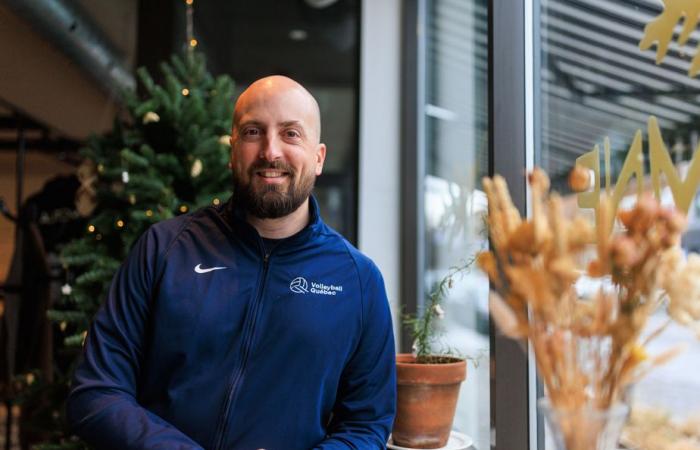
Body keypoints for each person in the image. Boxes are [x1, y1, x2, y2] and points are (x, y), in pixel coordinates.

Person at [66, 76, 397, 449]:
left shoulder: (358, 280)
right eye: (254, 131)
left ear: (319, 157)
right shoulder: (164, 248)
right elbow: (95, 393)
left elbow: (366, 424)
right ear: (233, 148)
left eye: (291, 134)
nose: (270, 151)